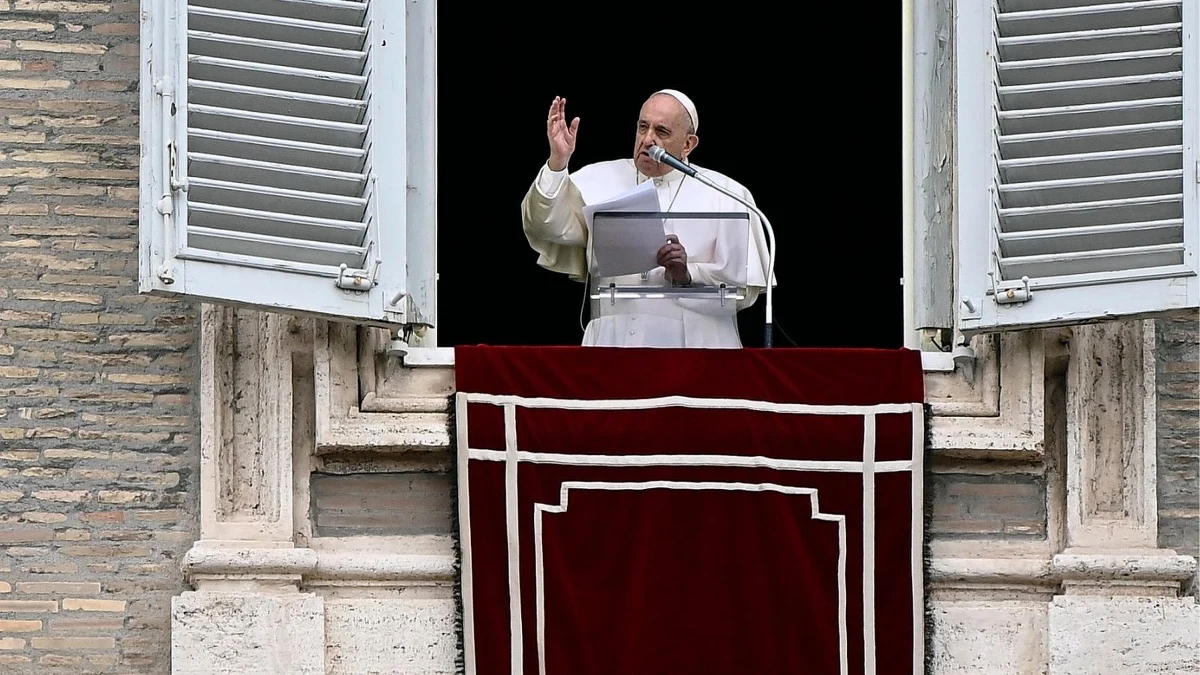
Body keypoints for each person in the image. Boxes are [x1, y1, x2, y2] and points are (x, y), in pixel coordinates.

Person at [520, 89, 774, 349]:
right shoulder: (598, 178)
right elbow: (545, 225)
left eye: (661, 131)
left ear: (688, 144)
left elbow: (744, 292)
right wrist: (558, 162)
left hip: (696, 347)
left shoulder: (726, 194)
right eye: (643, 127)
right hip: (612, 343)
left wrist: (688, 275)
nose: (648, 139)